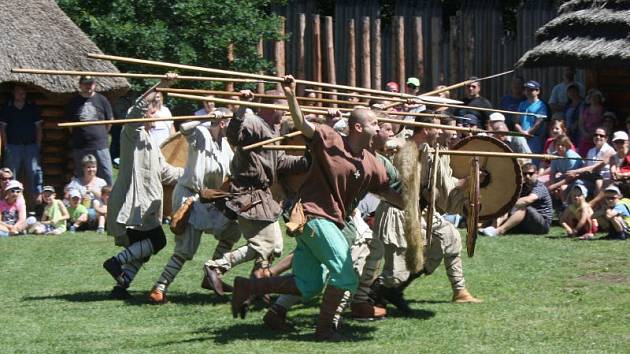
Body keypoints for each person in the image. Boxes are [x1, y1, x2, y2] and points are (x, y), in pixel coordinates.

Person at [231, 75, 403, 341]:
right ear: (358, 127)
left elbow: (387, 192)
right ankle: (324, 330)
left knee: (308, 285)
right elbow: (303, 124)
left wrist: (416, 205)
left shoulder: (372, 162)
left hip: (330, 222)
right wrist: (291, 95)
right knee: (345, 276)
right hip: (312, 216)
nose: (380, 127)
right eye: (375, 123)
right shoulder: (330, 140)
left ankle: (247, 286)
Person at [202, 89, 310, 295]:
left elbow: (279, 162)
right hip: (247, 193)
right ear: (269, 106)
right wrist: (242, 108)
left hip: (261, 194)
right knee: (266, 245)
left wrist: (306, 161)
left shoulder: (273, 129)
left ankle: (257, 286)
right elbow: (233, 136)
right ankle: (217, 266)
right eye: (281, 105)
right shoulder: (254, 122)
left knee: (274, 246)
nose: (285, 110)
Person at [374, 115, 482, 316]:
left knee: (450, 237)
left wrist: (464, 183)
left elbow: (440, 185)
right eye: (437, 127)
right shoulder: (404, 145)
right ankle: (375, 294)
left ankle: (459, 290)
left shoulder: (433, 152)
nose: (440, 131)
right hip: (397, 211)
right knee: (394, 270)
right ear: (425, 129)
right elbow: (389, 144)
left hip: (421, 211)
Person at [102, 74, 183, 299]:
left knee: (143, 249)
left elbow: (165, 172)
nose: (155, 114)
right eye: (153, 110)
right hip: (135, 202)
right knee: (158, 241)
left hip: (146, 204)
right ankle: (115, 263)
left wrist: (190, 175)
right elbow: (136, 109)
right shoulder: (132, 133)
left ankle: (121, 285)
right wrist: (160, 86)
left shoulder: (150, 140)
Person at [149, 112, 241, 304]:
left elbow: (234, 168)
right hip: (188, 196)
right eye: (230, 124)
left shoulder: (225, 145)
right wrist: (207, 116)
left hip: (210, 198)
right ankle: (159, 287)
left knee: (232, 230)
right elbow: (184, 128)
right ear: (222, 123)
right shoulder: (200, 133)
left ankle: (213, 274)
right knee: (186, 248)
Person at [65, 76, 114, 185]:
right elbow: (70, 125)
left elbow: (109, 120)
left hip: (100, 144)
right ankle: (85, 200)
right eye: (86, 84)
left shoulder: (102, 100)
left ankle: (110, 199)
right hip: (80, 145)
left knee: (107, 174)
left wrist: (102, 135)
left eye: (90, 84)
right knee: (82, 175)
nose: (88, 86)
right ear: (80, 85)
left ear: (94, 85)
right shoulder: (74, 102)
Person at [481, 163, 553, 236]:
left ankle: (499, 231)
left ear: (536, 174)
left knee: (522, 206)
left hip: (542, 225)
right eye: (524, 174)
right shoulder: (522, 187)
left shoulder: (539, 187)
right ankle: (491, 228)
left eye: (530, 173)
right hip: (526, 221)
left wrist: (508, 204)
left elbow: (528, 200)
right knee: (503, 206)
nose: (527, 176)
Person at [0, 85, 44, 203]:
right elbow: (3, 128)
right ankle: (8, 204)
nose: (22, 95)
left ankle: (37, 202)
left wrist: (38, 145)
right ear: (13, 93)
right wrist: (6, 146)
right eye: (19, 93)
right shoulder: (7, 108)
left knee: (34, 173)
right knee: (10, 175)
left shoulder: (32, 107)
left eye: (23, 93)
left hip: (31, 146)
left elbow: (38, 127)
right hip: (13, 146)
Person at [566, 127, 615, 197]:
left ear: (606, 138)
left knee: (595, 183)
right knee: (575, 184)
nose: (598, 137)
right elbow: (585, 167)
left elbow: (595, 168)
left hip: (605, 181)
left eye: (601, 136)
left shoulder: (610, 150)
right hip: (592, 180)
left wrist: (576, 171)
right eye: (596, 135)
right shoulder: (590, 151)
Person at [516, 80, 549, 155]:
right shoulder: (521, 104)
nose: (528, 92)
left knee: (533, 161)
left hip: (534, 138)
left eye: (531, 90)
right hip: (521, 137)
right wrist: (522, 132)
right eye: (526, 89)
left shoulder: (541, 105)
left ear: (538, 91)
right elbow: (516, 122)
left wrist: (528, 133)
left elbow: (539, 122)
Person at [577, 89, 605, 156]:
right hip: (585, 136)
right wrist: (585, 133)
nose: (594, 99)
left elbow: (603, 124)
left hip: (597, 136)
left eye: (596, 97)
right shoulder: (585, 110)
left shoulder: (602, 110)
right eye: (592, 97)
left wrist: (594, 134)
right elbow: (580, 123)